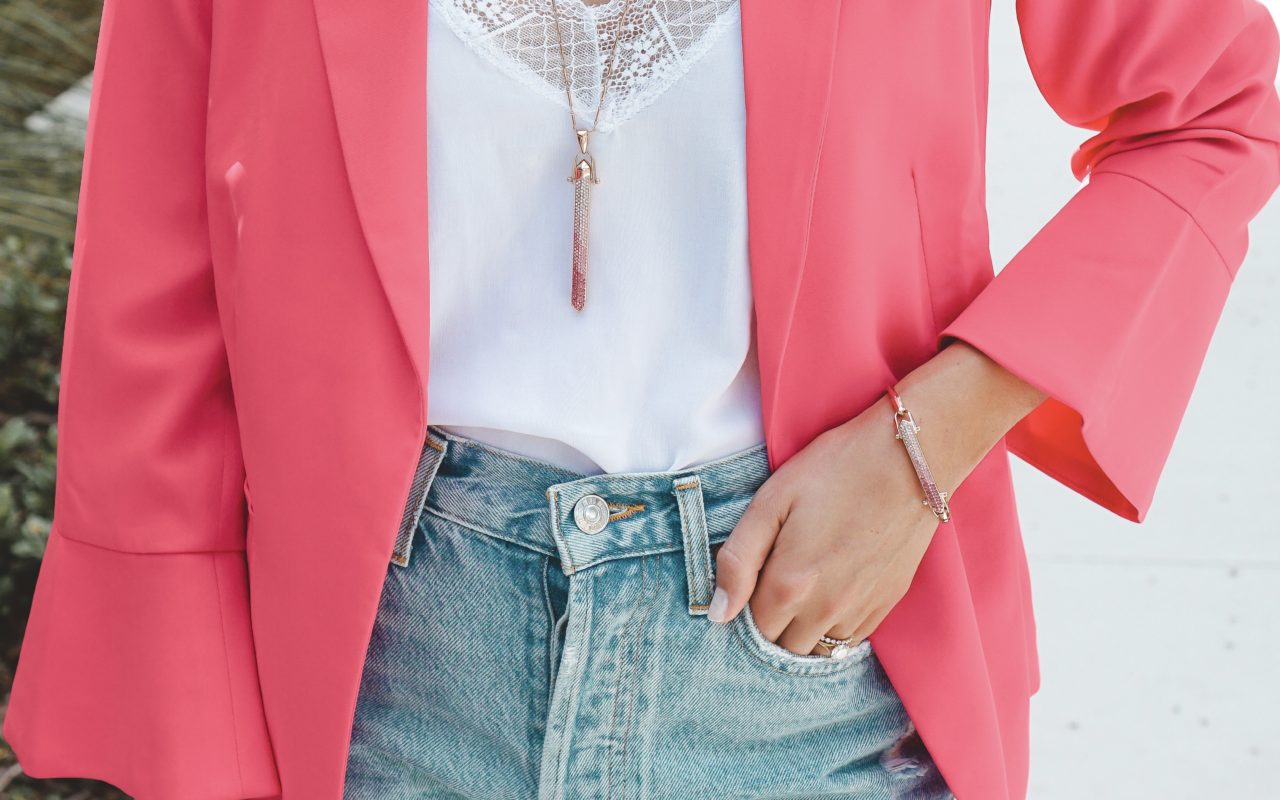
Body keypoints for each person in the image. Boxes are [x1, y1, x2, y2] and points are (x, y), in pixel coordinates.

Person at [5, 0, 1279, 798]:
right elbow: (156, 274)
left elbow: (1219, 109)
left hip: (811, 668)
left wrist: (919, 448)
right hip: (380, 673)